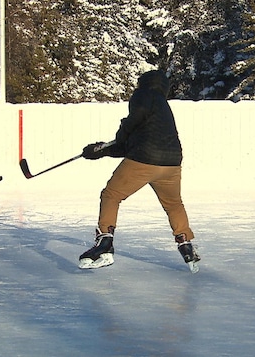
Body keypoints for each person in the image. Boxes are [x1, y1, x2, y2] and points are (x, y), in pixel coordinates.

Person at [78, 69, 200, 273]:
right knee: (173, 204)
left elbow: (132, 128)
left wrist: (121, 131)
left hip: (145, 159)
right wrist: (99, 151)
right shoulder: (162, 106)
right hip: (171, 163)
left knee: (111, 195)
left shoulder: (145, 95)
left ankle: (105, 244)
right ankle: (186, 244)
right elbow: (131, 143)